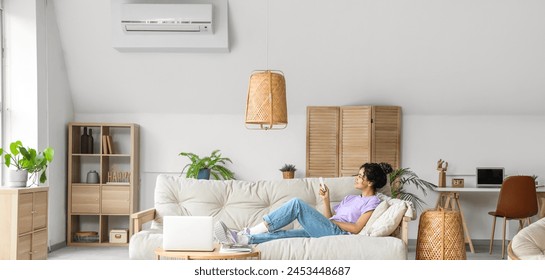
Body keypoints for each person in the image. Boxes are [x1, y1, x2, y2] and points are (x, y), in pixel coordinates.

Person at [214, 162, 393, 245]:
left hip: (340, 233)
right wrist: (326, 199)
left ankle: (250, 231)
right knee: (286, 235)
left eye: (361, 176)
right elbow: (329, 218)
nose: (357, 178)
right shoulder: (350, 198)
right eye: (358, 174)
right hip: (328, 229)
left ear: (370, 182)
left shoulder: (373, 201)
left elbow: (356, 229)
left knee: (297, 204)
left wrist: (332, 222)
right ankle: (241, 239)